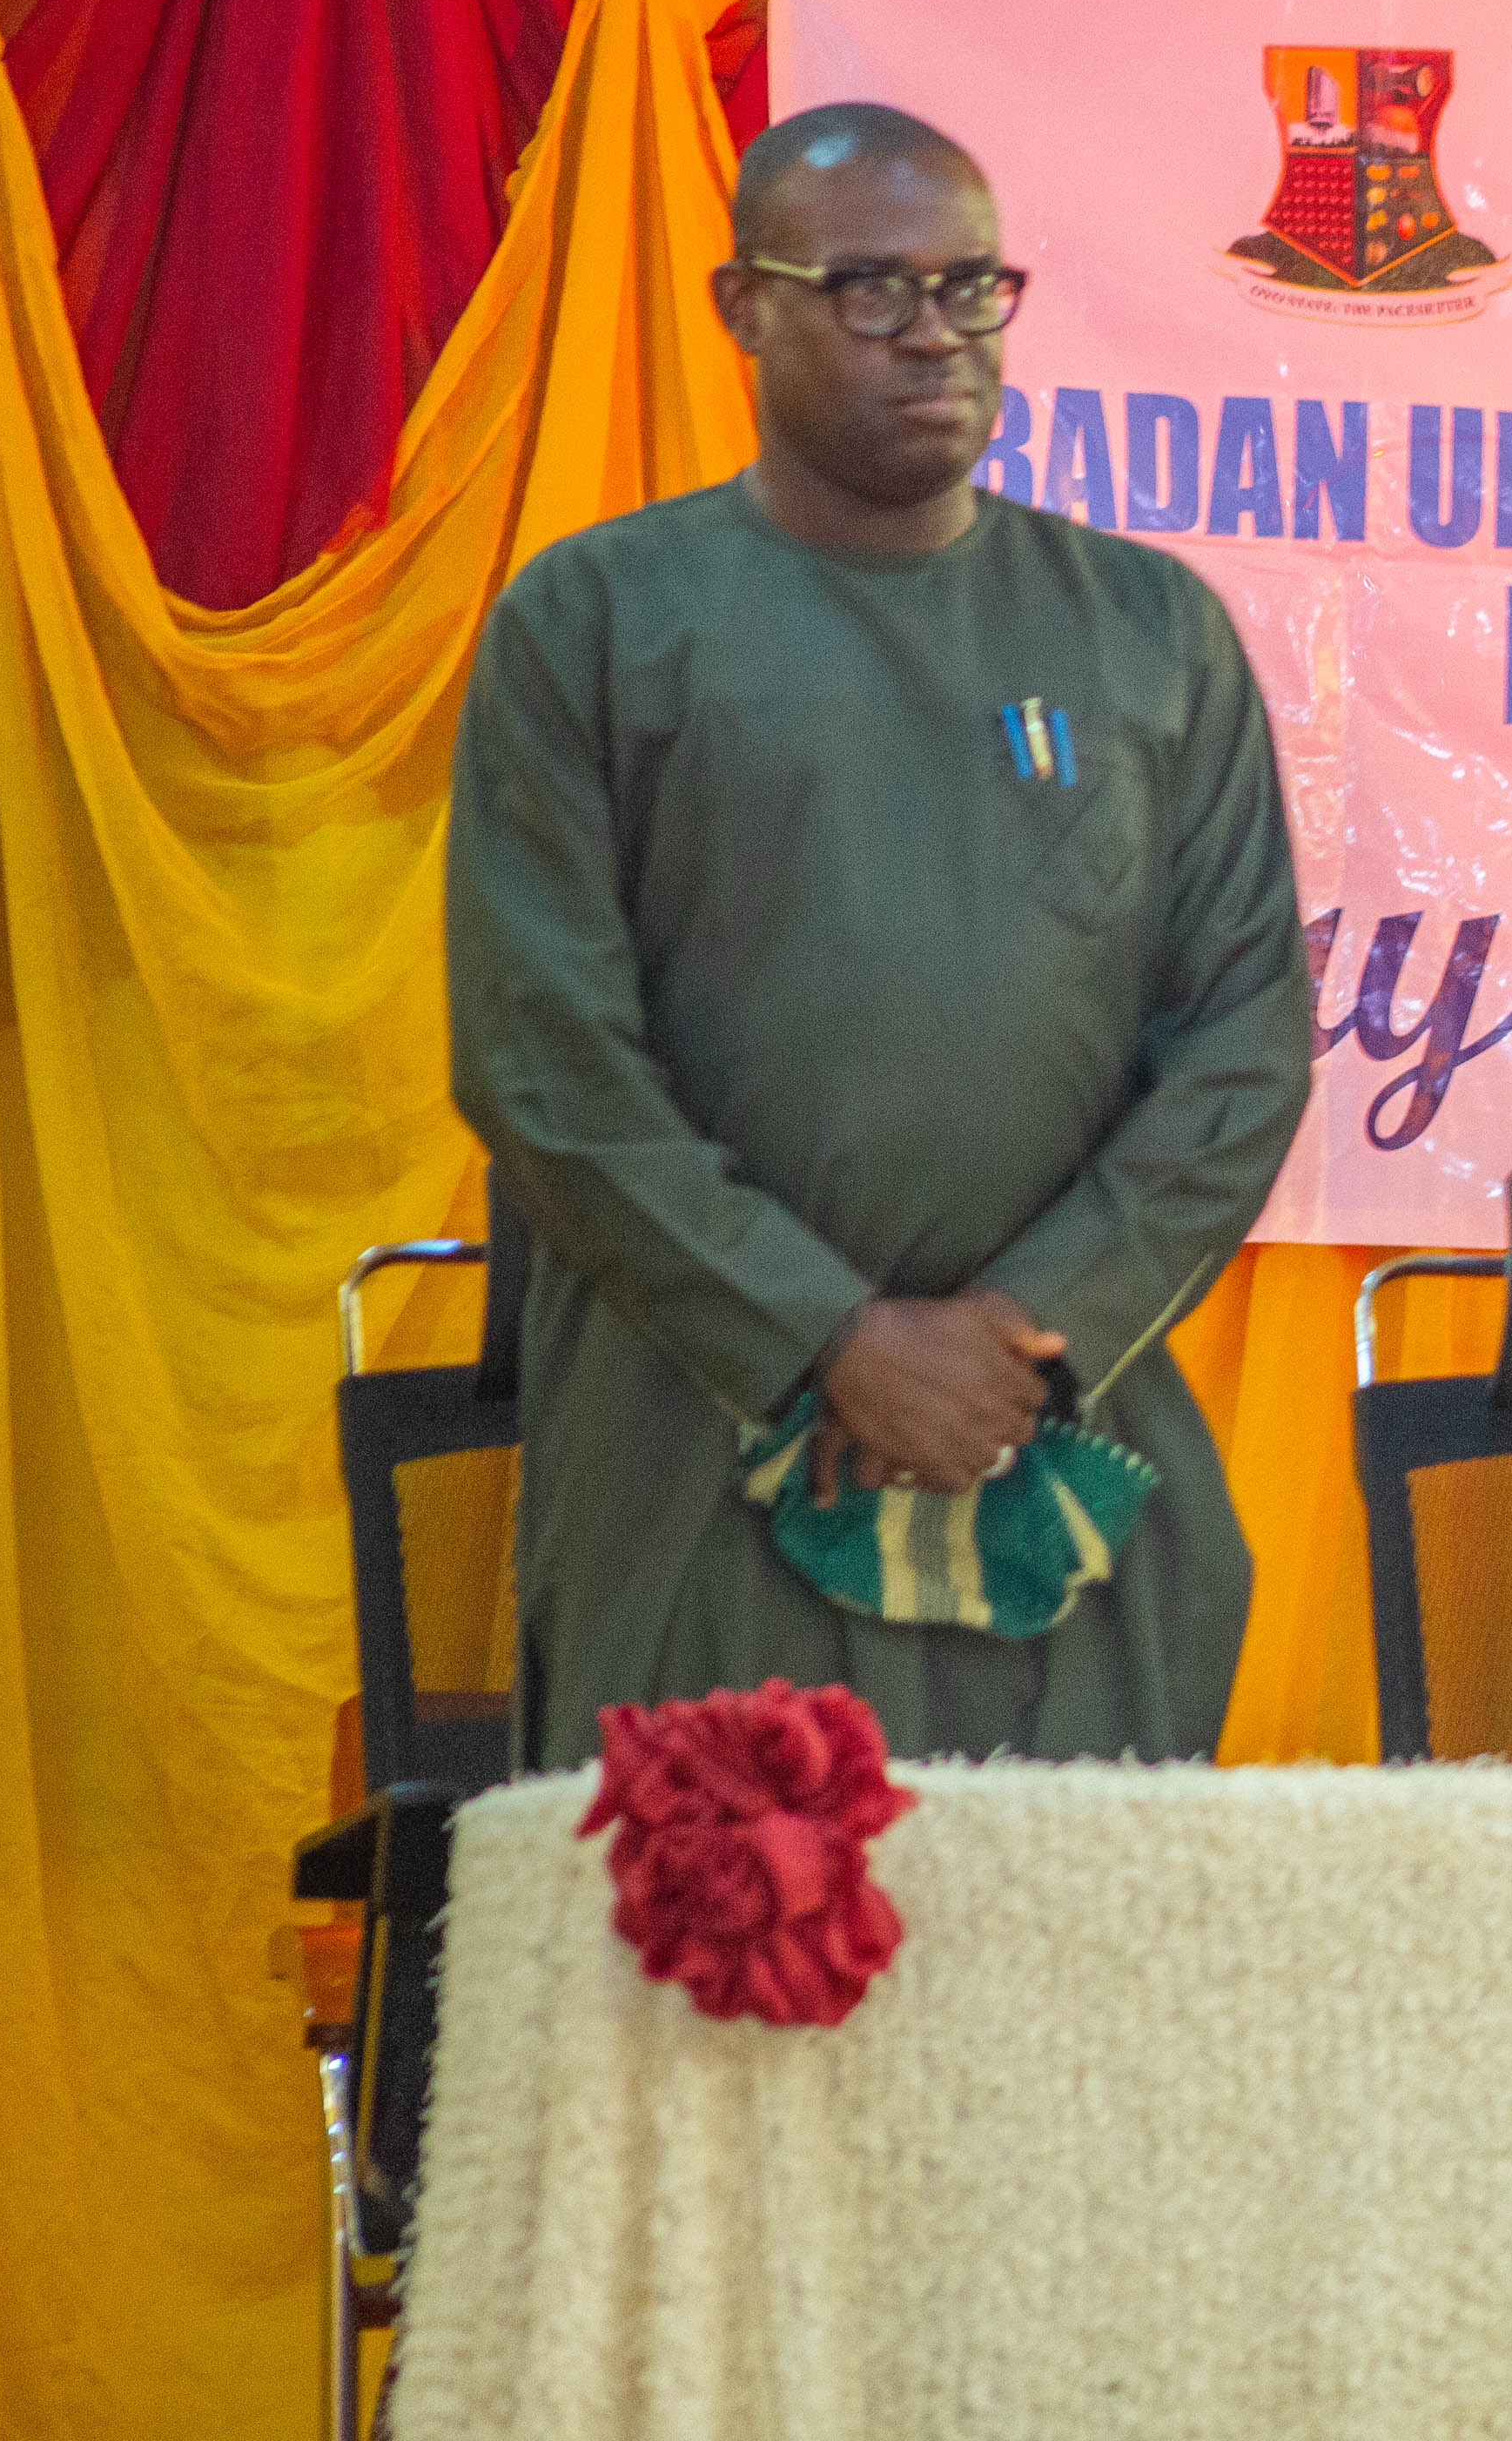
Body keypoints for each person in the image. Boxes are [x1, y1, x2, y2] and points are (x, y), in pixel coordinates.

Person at [450, 104, 1313, 1765]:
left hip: (1069, 1438)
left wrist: (1023, 1336)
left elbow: (1242, 1040)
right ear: (741, 305)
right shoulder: (595, 620)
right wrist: (824, 1338)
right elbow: (542, 1059)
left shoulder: (1149, 630)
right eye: (868, 289)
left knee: (1075, 1990)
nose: (934, 333)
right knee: (713, 1974)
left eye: (970, 286)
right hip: (703, 1446)